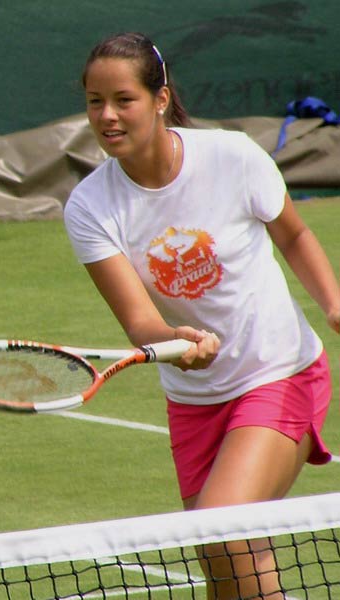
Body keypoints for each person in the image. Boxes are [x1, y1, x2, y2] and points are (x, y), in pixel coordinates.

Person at [63, 32, 340, 599]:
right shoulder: (90, 207)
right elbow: (140, 323)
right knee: (224, 578)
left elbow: (293, 234)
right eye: (95, 102)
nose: (108, 115)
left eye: (124, 99)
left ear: (160, 98)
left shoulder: (232, 156)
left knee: (223, 527)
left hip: (278, 372)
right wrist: (176, 341)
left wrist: (334, 304)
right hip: (195, 404)